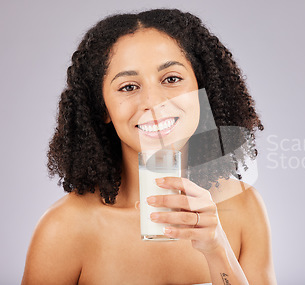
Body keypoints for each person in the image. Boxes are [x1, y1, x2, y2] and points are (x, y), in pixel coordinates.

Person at [22, 8, 276, 285]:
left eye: (171, 79)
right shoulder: (64, 228)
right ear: (102, 108)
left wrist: (217, 248)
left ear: (202, 91)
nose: (154, 103)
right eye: (129, 87)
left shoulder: (243, 206)